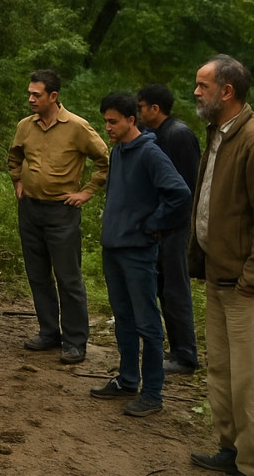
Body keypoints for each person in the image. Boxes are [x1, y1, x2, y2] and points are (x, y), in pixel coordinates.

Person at [187, 55, 254, 476]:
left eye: (202, 85)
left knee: (250, 380)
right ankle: (230, 451)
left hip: (246, 285)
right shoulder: (218, 133)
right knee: (222, 373)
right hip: (218, 275)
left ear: (226, 92)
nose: (196, 92)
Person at [88, 92, 190, 417]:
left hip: (138, 252)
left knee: (147, 322)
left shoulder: (150, 152)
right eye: (106, 121)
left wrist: (154, 224)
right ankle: (128, 378)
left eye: (113, 121)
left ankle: (153, 393)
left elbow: (179, 193)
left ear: (132, 120)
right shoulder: (119, 151)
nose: (108, 127)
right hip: (114, 249)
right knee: (124, 319)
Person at [7, 69, 110, 364]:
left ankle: (75, 341)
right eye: (29, 93)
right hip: (30, 209)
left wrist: (87, 192)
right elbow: (14, 156)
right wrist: (18, 181)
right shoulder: (25, 126)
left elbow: (104, 160)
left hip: (61, 211)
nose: (30, 99)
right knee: (37, 275)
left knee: (68, 278)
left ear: (53, 96)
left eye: (36, 95)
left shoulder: (77, 127)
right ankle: (48, 332)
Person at [137, 83, 202, 375]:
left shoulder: (178, 135)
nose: (137, 113)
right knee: (163, 289)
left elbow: (187, 189)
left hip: (176, 227)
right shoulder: (155, 135)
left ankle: (185, 355)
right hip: (161, 227)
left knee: (175, 290)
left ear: (155, 108)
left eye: (140, 107)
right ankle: (175, 349)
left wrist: (162, 221)